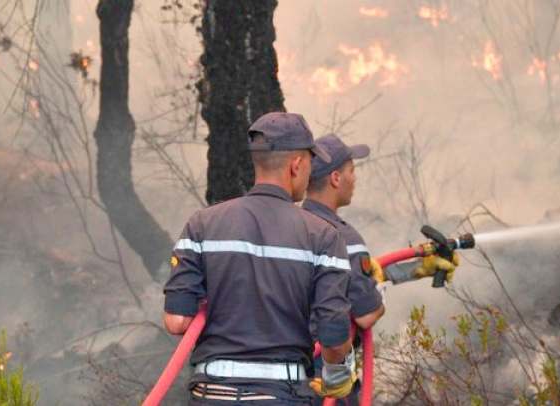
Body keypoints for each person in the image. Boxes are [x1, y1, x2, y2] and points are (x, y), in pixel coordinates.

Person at [163, 113, 357, 406]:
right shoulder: (324, 236)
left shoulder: (201, 224)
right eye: (309, 164)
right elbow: (332, 333)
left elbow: (177, 321)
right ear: (297, 165)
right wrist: (339, 375)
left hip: (210, 394)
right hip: (280, 395)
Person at [303, 133, 459, 405]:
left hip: (285, 378)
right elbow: (366, 314)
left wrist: (410, 270)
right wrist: (377, 294)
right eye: (352, 170)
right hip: (326, 375)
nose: (356, 178)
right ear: (336, 178)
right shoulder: (342, 237)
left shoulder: (291, 228)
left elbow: (335, 282)